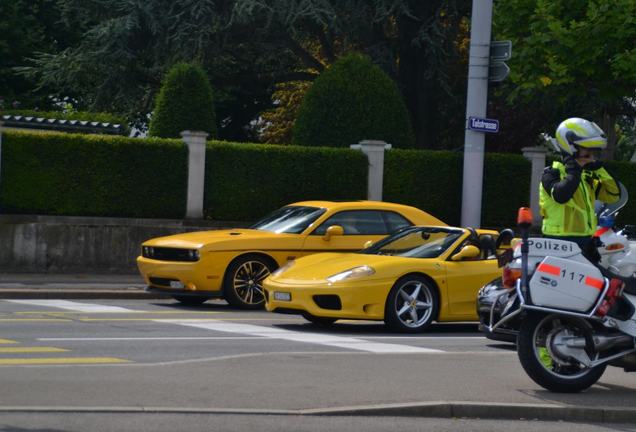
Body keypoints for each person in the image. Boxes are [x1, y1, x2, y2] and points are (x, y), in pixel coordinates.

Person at [540, 117, 620, 257]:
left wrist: (599, 169)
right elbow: (561, 195)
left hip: (585, 240)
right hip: (558, 242)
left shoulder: (586, 177)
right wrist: (574, 168)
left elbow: (613, 195)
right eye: (586, 149)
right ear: (571, 147)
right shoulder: (552, 174)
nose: (591, 154)